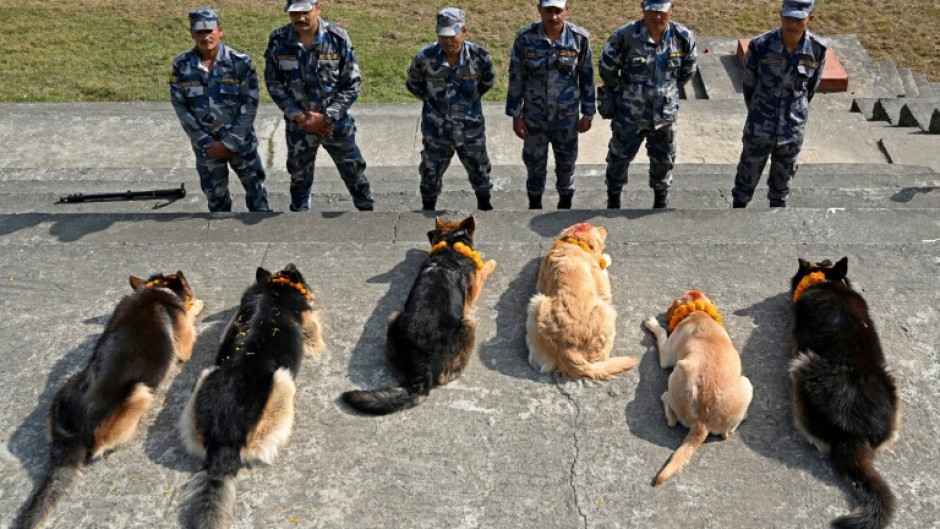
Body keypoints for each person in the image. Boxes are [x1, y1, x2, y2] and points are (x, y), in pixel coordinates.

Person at [264, 0, 375, 212]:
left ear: (318, 8)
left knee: (354, 172)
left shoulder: (338, 38)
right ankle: (300, 220)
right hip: (300, 126)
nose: (300, 18)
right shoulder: (279, 39)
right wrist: (299, 116)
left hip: (335, 125)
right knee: (299, 178)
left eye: (305, 11)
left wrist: (326, 117)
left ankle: (368, 215)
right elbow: (273, 83)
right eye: (294, 13)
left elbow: (352, 85)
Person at [170, 6, 272, 213]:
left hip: (241, 144)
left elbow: (250, 104)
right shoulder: (181, 66)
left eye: (210, 31)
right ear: (192, 33)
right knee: (217, 203)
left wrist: (229, 142)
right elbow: (181, 107)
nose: (205, 37)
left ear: (220, 31)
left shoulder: (240, 63)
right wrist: (205, 141)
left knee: (258, 198)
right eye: (199, 32)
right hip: (206, 149)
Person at [598, 0, 697, 209]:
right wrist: (625, 94)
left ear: (672, 9)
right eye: (652, 11)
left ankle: (660, 199)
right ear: (643, 7)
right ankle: (613, 198)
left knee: (664, 159)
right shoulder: (625, 36)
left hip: (664, 117)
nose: (657, 16)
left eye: (662, 11)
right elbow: (607, 68)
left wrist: (665, 92)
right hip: (630, 115)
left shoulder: (682, 37)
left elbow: (687, 71)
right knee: (618, 158)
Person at [731, 0, 826, 208]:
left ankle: (777, 221)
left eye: (798, 19)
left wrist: (794, 114)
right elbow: (749, 85)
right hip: (760, 127)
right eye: (788, 18)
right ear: (781, 16)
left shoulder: (817, 49)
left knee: (782, 186)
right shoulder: (761, 46)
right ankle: (736, 214)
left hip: (791, 130)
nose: (792, 24)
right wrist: (759, 111)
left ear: (810, 19)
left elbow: (810, 89)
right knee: (746, 179)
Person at [506, 0, 595, 210]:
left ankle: (565, 204)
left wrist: (588, 113)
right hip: (534, 117)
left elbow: (587, 77)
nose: (553, 16)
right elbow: (516, 77)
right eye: (548, 11)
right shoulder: (525, 38)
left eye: (558, 11)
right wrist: (515, 115)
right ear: (539, 10)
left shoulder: (579, 39)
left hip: (566, 119)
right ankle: (534, 204)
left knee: (566, 164)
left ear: (566, 10)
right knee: (534, 164)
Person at [406, 8, 495, 212]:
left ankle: (485, 208)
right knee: (430, 175)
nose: (447, 41)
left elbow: (487, 83)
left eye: (452, 35)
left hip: (470, 129)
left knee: (480, 172)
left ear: (464, 31)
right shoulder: (424, 58)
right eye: (443, 35)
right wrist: (436, 105)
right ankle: (427, 209)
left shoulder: (480, 57)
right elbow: (414, 85)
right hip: (436, 130)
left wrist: (466, 105)